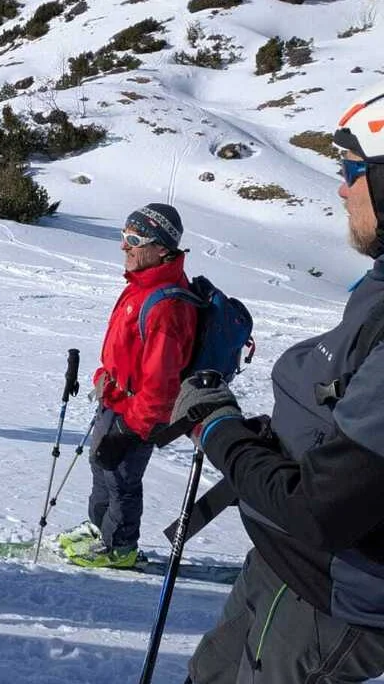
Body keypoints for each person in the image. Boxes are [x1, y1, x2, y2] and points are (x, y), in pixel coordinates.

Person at [169, 81, 384, 683]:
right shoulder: (377, 290)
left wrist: (218, 429)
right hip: (283, 562)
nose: (342, 188)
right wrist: (273, 437)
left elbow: (323, 511)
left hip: (329, 595)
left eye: (353, 169)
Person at [56, 202, 197, 568]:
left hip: (139, 414)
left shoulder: (168, 306)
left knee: (121, 478)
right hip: (116, 399)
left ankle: (120, 547)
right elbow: (128, 349)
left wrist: (131, 429)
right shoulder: (141, 284)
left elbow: (161, 386)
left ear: (162, 247)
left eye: (134, 239)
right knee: (99, 465)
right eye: (123, 236)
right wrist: (105, 377)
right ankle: (99, 528)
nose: (124, 246)